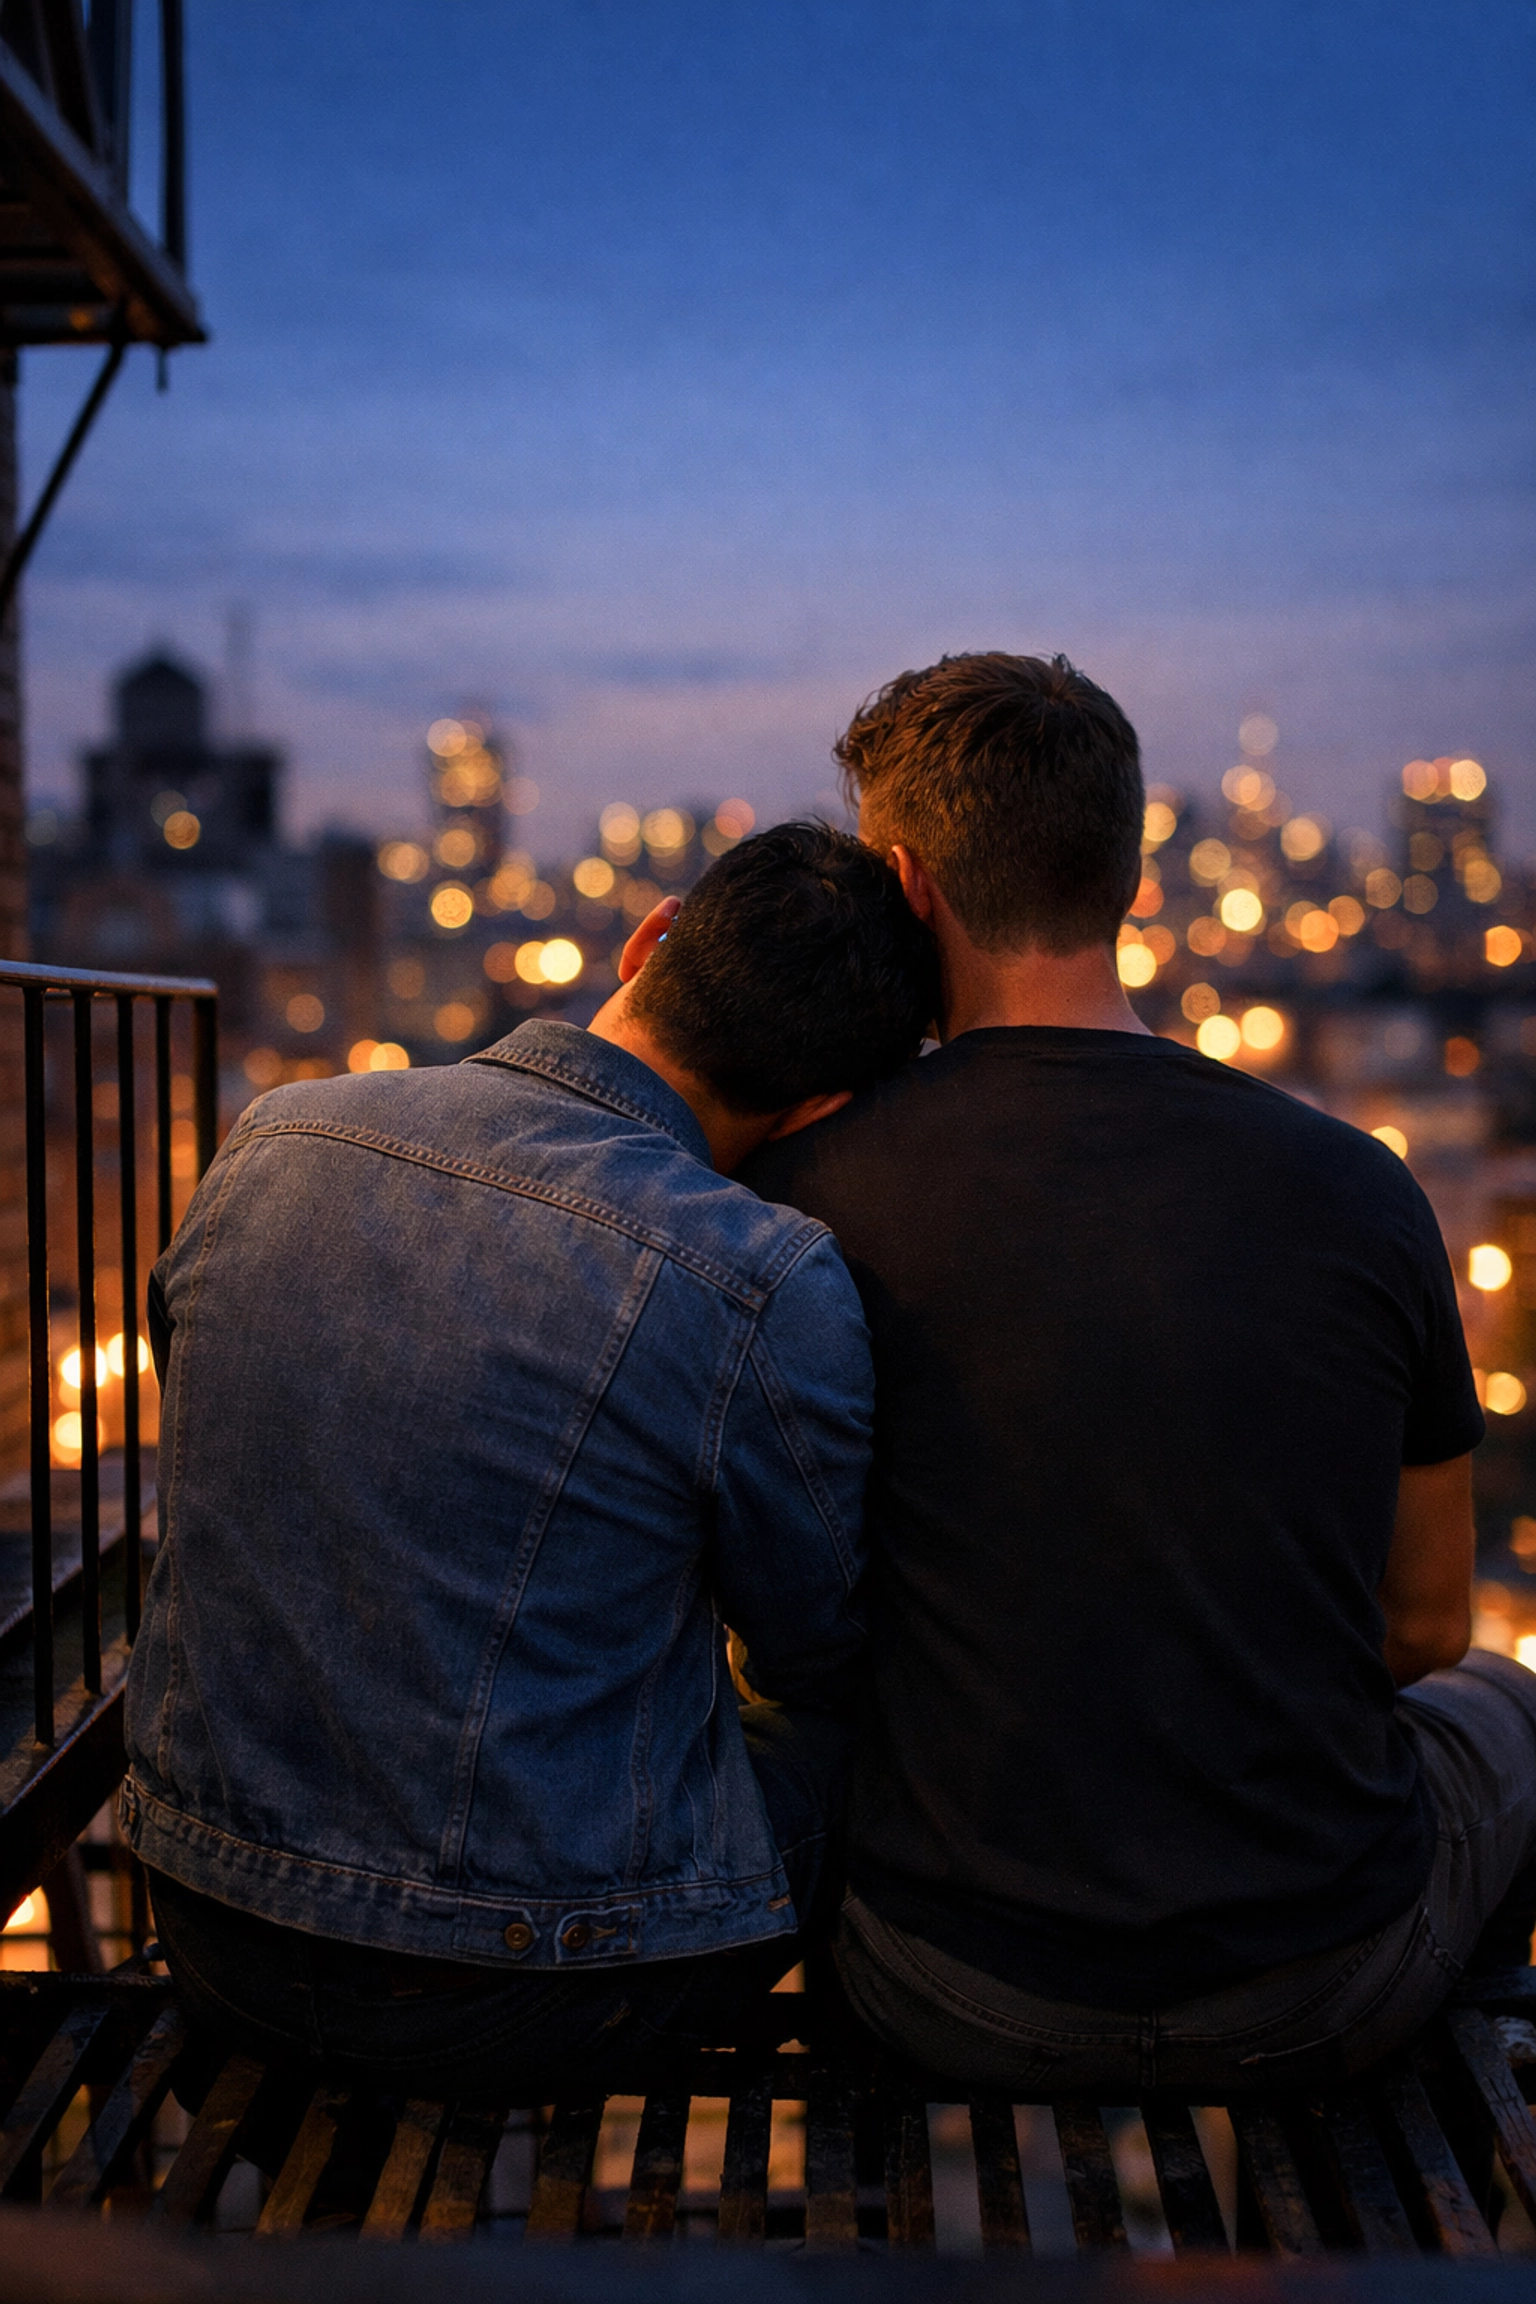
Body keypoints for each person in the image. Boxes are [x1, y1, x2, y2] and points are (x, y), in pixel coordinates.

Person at [745, 651, 1536, 2096]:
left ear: (906, 886)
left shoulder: (802, 1197)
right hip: (1319, 1981)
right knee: (1509, 1704)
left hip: (950, 1984)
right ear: (1125, 873)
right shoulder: (1360, 1191)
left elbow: (783, 1622)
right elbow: (1420, 1624)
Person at [121, 820, 938, 2100]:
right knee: (869, 1733)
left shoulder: (272, 1140)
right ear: (821, 1109)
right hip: (543, 1987)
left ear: (650, 936)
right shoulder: (759, 1275)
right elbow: (818, 1648)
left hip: (208, 1920)